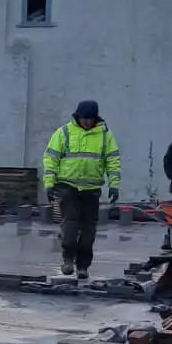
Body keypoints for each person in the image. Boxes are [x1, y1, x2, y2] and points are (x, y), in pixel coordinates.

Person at [43, 100, 121, 277]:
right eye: (84, 118)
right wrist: (49, 183)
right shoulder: (64, 133)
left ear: (95, 118)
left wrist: (114, 184)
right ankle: (68, 259)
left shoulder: (105, 135)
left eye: (90, 119)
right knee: (70, 223)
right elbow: (51, 158)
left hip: (91, 189)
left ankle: (83, 265)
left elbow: (113, 160)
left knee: (88, 228)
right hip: (67, 186)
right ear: (78, 117)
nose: (87, 122)